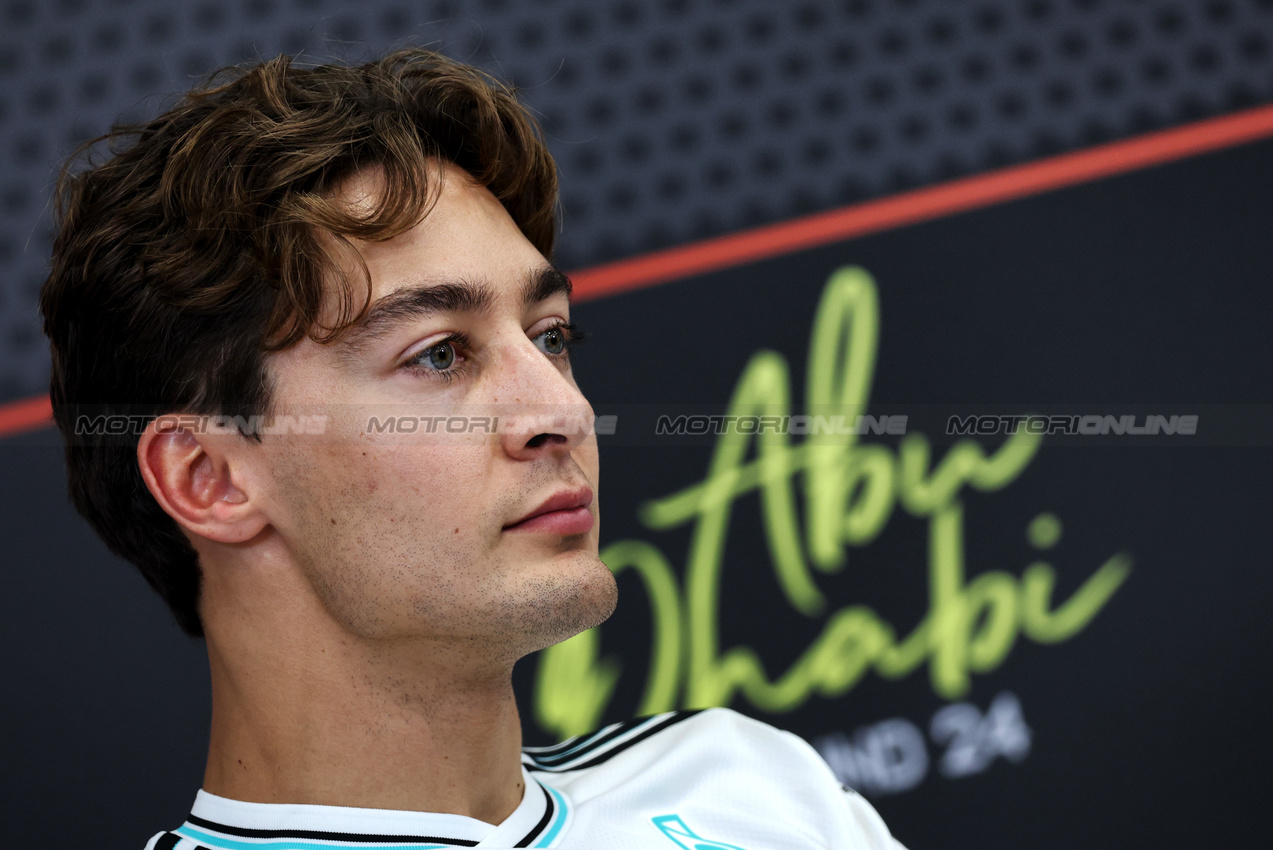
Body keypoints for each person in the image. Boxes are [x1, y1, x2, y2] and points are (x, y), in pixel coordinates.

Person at [40, 48, 904, 849]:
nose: (559, 409)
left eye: (551, 336)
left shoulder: (754, 788)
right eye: (439, 354)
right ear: (212, 479)